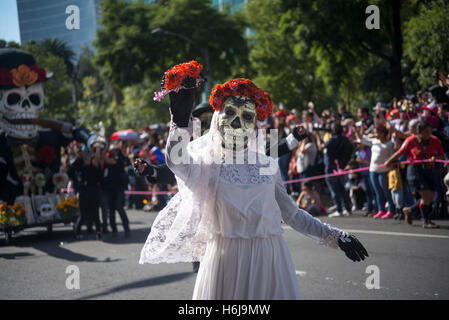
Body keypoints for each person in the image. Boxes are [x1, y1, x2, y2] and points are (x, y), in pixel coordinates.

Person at [137, 61, 368, 300]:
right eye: (230, 113)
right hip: (224, 264)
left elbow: (293, 215)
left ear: (256, 124)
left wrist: (336, 236)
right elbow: (176, 161)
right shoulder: (205, 164)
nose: (237, 122)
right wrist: (180, 120)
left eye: (247, 116)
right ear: (218, 119)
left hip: (270, 262)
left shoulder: (267, 165)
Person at [385, 121, 445, 228]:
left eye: (430, 131)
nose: (428, 134)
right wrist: (389, 161)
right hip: (415, 171)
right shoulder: (410, 141)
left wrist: (435, 158)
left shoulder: (435, 141)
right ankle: (426, 221)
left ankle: (410, 210)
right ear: (419, 132)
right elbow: (400, 152)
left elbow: (442, 156)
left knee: (431, 197)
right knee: (426, 196)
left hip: (430, 171)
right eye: (426, 132)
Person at [355, 124, 396, 219]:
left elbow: (392, 157)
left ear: (382, 133)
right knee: (377, 192)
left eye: (376, 132)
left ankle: (391, 210)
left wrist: (390, 163)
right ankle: (381, 210)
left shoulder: (389, 144)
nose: (374, 134)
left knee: (386, 191)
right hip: (373, 170)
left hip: (384, 171)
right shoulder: (374, 141)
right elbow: (361, 139)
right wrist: (357, 130)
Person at [69, 145, 103, 240]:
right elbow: (87, 161)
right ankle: (80, 232)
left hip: (89, 193)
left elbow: (92, 160)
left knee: (91, 214)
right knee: (85, 214)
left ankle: (97, 231)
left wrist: (95, 150)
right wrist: (94, 151)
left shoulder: (87, 167)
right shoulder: (79, 167)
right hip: (87, 193)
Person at [101, 143, 131, 237]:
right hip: (108, 189)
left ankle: (126, 229)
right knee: (111, 210)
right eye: (112, 150)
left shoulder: (119, 159)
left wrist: (103, 149)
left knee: (119, 208)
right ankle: (114, 230)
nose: (113, 151)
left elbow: (109, 160)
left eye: (115, 150)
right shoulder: (107, 160)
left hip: (118, 189)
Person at [324, 123, 353, 217]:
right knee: (342, 189)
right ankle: (347, 208)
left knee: (335, 190)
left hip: (331, 168)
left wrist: (317, 137)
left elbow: (323, 146)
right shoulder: (345, 140)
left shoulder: (332, 140)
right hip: (341, 167)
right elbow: (350, 150)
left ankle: (339, 209)